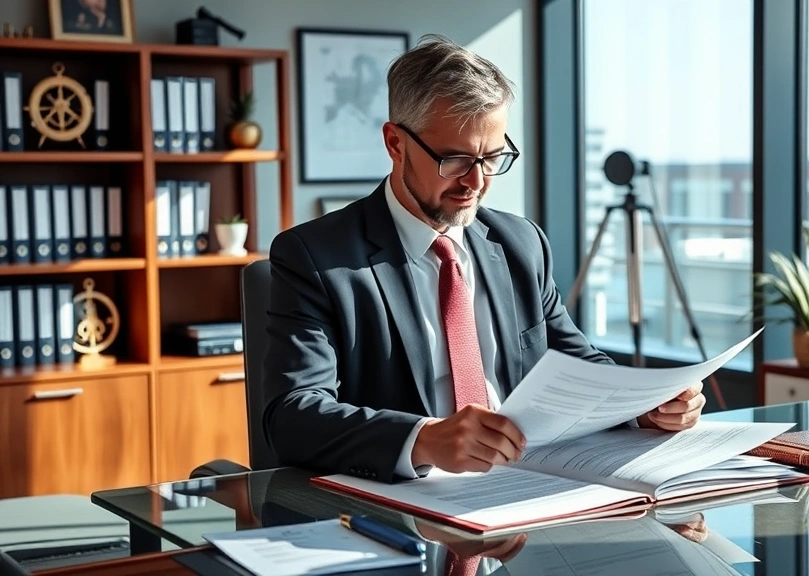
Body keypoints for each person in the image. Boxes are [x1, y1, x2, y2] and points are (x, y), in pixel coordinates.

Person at [261, 34, 707, 485]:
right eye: (454, 159)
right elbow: (293, 415)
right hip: (402, 509)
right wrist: (424, 439)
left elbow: (578, 364)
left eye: (492, 157)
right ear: (395, 143)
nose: (476, 181)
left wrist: (642, 407)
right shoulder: (316, 257)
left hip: (527, 490)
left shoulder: (520, 243)